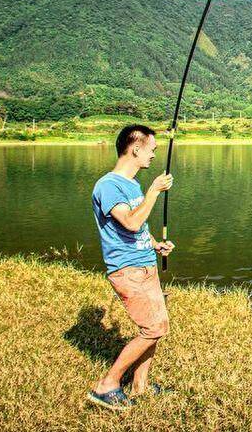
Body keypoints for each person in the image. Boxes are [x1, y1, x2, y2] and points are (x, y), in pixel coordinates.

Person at [86, 124, 176, 411]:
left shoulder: (132, 185)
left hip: (145, 264)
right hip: (126, 270)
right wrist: (154, 192)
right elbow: (131, 221)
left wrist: (154, 245)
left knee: (158, 328)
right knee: (153, 328)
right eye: (152, 149)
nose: (153, 155)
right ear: (136, 148)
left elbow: (139, 229)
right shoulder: (108, 186)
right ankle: (107, 385)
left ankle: (141, 386)